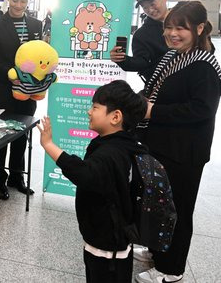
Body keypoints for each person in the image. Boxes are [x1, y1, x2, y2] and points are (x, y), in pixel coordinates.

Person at [135, 1, 221, 283]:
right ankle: (155, 250)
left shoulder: (204, 65)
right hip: (160, 142)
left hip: (184, 151)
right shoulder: (174, 55)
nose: (172, 33)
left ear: (198, 28)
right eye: (169, 27)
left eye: (180, 28)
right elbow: (154, 89)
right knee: (157, 203)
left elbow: (201, 110)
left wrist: (153, 111)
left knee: (178, 210)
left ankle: (171, 269)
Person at [37, 80, 148, 283]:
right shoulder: (123, 143)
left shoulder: (111, 153)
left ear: (115, 117)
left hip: (107, 243)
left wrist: (48, 144)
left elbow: (84, 174)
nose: (89, 112)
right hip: (113, 234)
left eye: (95, 107)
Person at [0, 0, 42, 200]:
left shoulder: (36, 25)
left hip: (30, 90)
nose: (18, 5)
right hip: (5, 89)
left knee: (22, 133)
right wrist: (12, 75)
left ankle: (17, 175)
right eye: (15, 0)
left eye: (23, 1)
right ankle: (0, 178)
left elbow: (40, 56)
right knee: (2, 133)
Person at [110, 0, 169, 82]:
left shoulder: (185, 21)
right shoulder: (141, 35)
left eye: (152, 4)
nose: (150, 10)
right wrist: (122, 59)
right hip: (162, 88)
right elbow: (142, 62)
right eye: (145, 7)